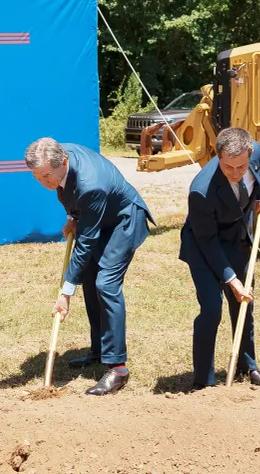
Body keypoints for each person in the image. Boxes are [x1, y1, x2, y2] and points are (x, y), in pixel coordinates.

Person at [26, 136, 152, 396]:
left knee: (105, 284)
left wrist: (66, 291)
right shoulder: (64, 155)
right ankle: (99, 351)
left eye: (47, 176)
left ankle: (118, 368)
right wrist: (73, 215)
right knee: (92, 279)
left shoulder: (90, 184)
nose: (44, 183)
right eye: (38, 177)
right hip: (96, 217)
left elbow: (86, 242)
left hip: (122, 221)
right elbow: (68, 191)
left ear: (63, 162)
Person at [178, 127, 260, 391]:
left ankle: (248, 367)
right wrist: (231, 280)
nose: (235, 173)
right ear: (217, 156)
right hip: (203, 246)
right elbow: (207, 241)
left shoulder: (255, 154)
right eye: (228, 167)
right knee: (212, 308)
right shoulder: (201, 191)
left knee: (244, 305)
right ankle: (203, 380)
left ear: (250, 153)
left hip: (237, 240)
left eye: (240, 167)